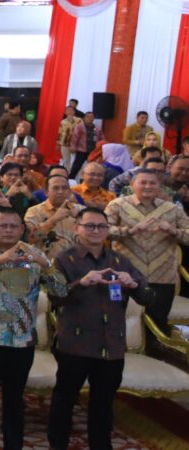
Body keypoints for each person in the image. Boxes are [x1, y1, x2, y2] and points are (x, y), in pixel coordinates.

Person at [48, 207, 153, 450]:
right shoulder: (64, 260)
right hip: (75, 345)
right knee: (64, 401)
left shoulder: (120, 261)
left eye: (101, 226)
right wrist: (81, 283)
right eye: (89, 226)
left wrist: (133, 285)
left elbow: (148, 297)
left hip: (111, 346)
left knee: (103, 406)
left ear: (107, 230)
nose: (96, 231)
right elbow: (55, 296)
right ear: (77, 228)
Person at [0, 208, 67, 450]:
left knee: (15, 398)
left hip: (22, 339)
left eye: (14, 226)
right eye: (3, 225)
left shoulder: (34, 254)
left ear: (22, 229)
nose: (8, 230)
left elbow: (61, 291)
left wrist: (45, 265)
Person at [104, 167, 189, 334]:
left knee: (158, 325)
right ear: (132, 185)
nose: (148, 186)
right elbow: (102, 230)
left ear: (159, 185)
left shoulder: (172, 209)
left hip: (163, 276)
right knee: (123, 323)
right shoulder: (117, 205)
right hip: (127, 275)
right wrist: (129, 231)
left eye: (152, 183)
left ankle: (157, 349)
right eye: (143, 182)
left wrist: (173, 231)